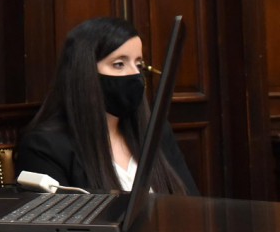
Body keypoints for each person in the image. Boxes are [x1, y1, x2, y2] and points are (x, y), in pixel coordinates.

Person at [15, 17, 198, 195]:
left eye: (139, 64)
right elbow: (57, 214)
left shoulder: (157, 132)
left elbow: (191, 202)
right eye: (119, 64)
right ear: (85, 71)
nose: (135, 74)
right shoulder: (45, 147)